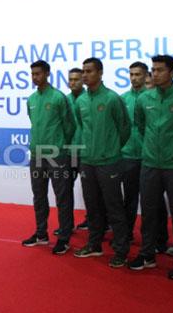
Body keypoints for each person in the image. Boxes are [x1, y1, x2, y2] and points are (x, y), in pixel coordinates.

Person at [128, 55, 173, 280]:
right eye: (153, 69)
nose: (155, 73)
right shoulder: (144, 99)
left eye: (160, 70)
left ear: (172, 73)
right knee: (149, 212)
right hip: (149, 163)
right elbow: (141, 126)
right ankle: (147, 254)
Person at [73, 58, 131, 268]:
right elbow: (81, 126)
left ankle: (121, 250)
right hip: (87, 161)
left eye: (89, 71)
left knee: (114, 207)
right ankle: (94, 244)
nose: (85, 75)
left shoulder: (112, 99)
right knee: (93, 207)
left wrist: (111, 149)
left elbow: (125, 129)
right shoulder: (80, 101)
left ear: (100, 73)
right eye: (83, 71)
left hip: (109, 162)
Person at [21, 60, 75, 254]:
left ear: (47, 74)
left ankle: (64, 237)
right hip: (36, 155)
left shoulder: (59, 98)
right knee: (39, 196)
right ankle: (41, 233)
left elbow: (70, 126)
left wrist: (59, 145)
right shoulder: (32, 100)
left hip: (57, 155)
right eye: (33, 74)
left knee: (62, 197)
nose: (35, 77)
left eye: (38, 74)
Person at [120, 61, 148, 241]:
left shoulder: (152, 98)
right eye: (131, 74)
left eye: (138, 74)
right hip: (128, 155)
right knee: (129, 199)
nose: (134, 78)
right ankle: (126, 234)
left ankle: (153, 239)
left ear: (146, 76)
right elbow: (119, 127)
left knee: (151, 202)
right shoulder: (123, 99)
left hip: (149, 157)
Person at [67, 68, 89, 231]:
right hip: (69, 151)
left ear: (83, 80)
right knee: (65, 190)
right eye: (71, 79)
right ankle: (67, 225)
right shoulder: (64, 100)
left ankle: (95, 222)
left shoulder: (89, 99)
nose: (73, 82)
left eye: (77, 79)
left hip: (87, 152)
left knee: (91, 191)